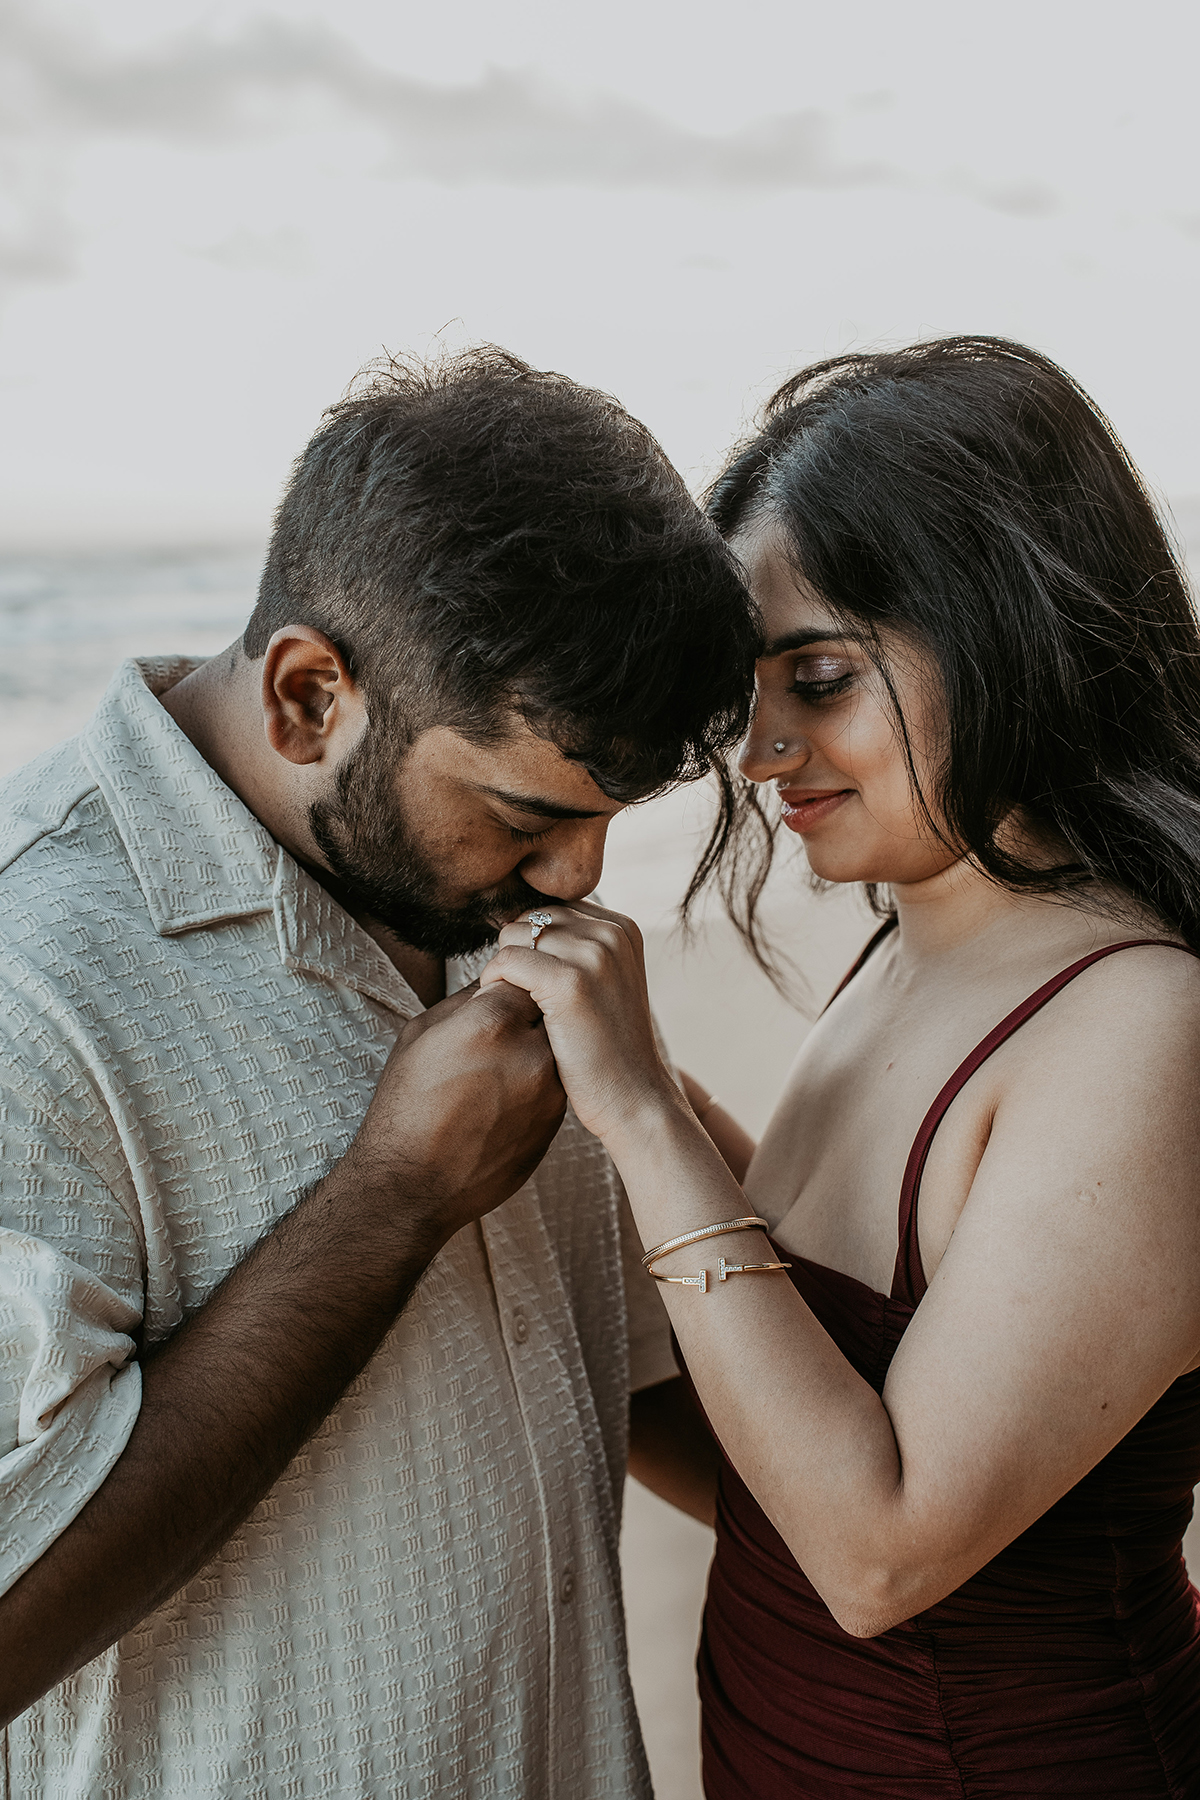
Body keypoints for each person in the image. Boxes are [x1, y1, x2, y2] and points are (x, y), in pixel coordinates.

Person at [0, 347, 760, 1798]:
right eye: (527, 814)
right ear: (308, 696)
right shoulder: (29, 976)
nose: (581, 877)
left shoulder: (478, 908)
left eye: (611, 816)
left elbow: (646, 1383)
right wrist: (392, 1199)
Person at [483, 337, 1200, 1795]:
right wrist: (615, 1112)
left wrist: (647, 1119)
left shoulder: (1143, 1023)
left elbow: (877, 1552)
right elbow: (804, 1386)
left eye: (819, 679)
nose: (760, 753)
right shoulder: (919, 931)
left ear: (1003, 633)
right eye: (754, 692)